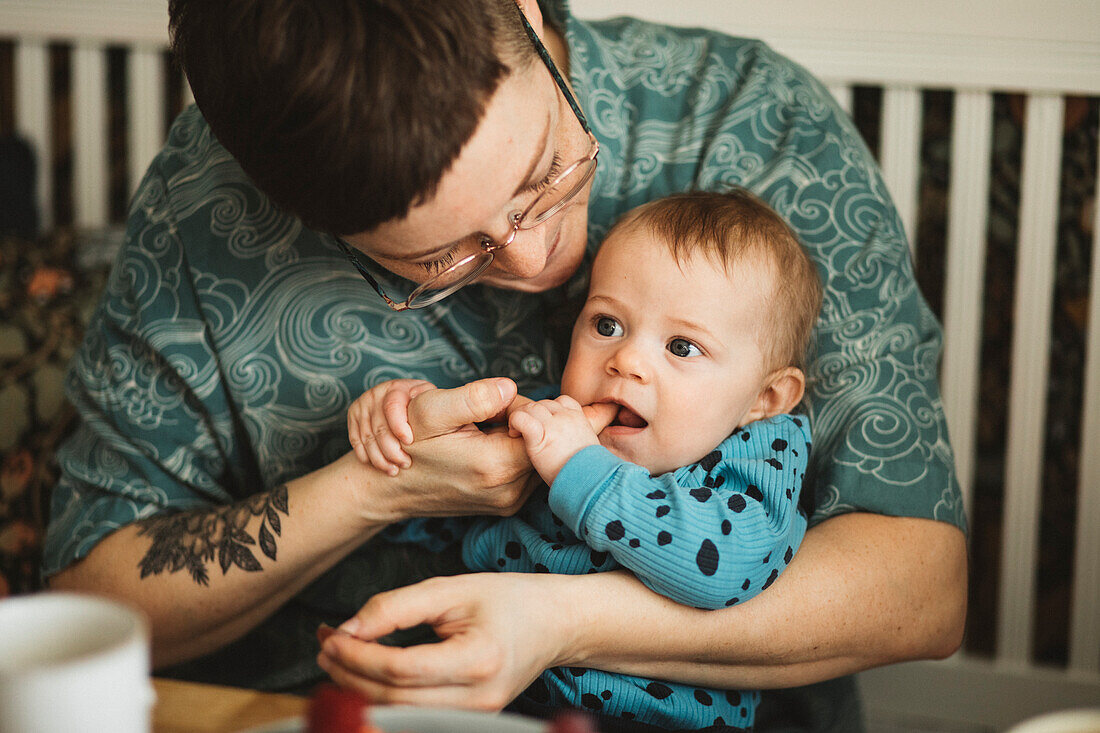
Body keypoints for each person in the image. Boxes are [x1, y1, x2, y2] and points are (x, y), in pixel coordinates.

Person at [42, 0, 967, 730]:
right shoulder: (206, 205)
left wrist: (559, 621)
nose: (539, 264)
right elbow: (88, 600)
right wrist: (374, 488)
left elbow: (920, 587)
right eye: (437, 258)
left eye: (544, 175)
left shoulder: (753, 122)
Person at [345, 189, 823, 730]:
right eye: (607, 325)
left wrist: (580, 470)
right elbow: (438, 515)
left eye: (682, 347)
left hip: (657, 721)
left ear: (765, 399)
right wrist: (401, 433)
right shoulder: (554, 423)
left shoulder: (756, 453)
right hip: (502, 702)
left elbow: (725, 568)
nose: (627, 360)